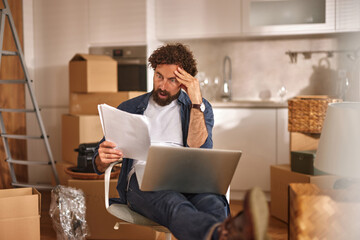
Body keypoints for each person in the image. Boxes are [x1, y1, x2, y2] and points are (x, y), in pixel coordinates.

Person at [93, 43, 269, 240]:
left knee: (213, 203)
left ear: (185, 82)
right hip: (142, 183)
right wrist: (102, 158)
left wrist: (196, 101)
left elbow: (200, 149)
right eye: (159, 76)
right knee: (173, 203)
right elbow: (99, 164)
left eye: (172, 80)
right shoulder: (129, 107)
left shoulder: (200, 108)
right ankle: (225, 233)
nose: (162, 85)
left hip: (188, 178)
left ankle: (224, 234)